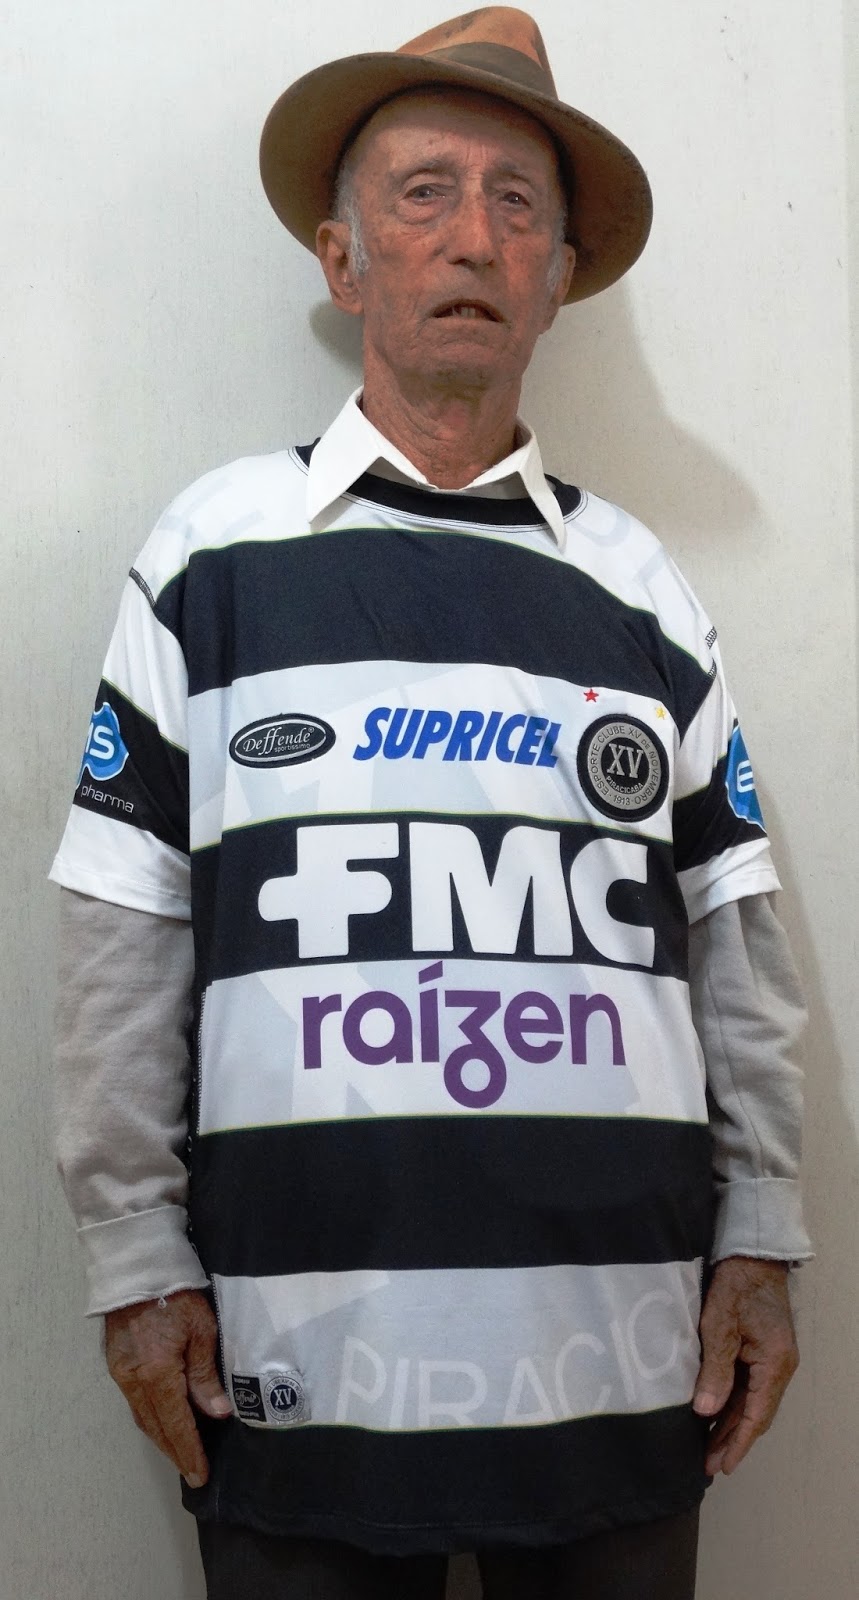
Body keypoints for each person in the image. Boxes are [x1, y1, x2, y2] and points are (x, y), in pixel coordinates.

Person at [50, 9, 812, 1598]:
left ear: (559, 276)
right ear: (343, 260)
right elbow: (122, 937)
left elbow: (735, 941)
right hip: (294, 1364)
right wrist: (133, 1254)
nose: (474, 235)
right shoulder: (210, 559)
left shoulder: (645, 590)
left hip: (622, 1364)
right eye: (423, 192)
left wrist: (762, 1228)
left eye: (518, 203)